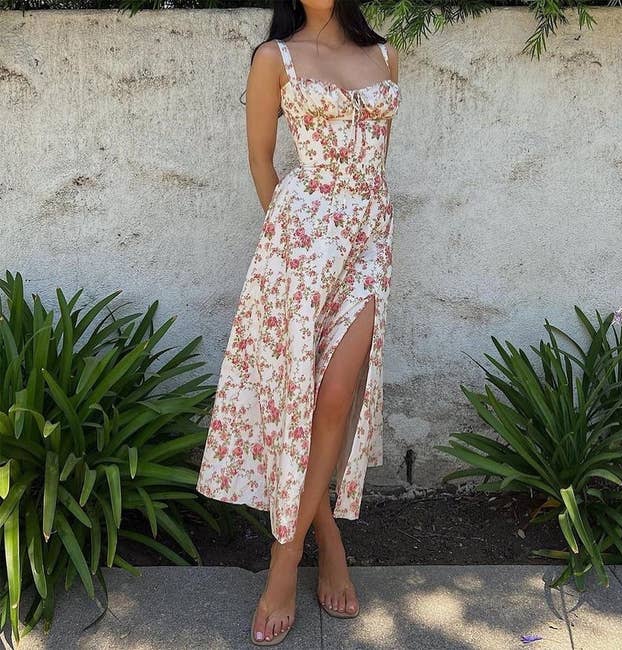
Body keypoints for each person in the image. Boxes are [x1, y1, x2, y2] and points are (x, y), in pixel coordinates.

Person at [196, 0, 400, 645]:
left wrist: (355, 229)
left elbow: (376, 165)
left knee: (338, 395)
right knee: (299, 401)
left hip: (368, 242)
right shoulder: (273, 58)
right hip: (300, 244)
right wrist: (293, 239)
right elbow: (262, 159)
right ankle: (324, 536)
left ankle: (284, 560)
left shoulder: (386, 54)